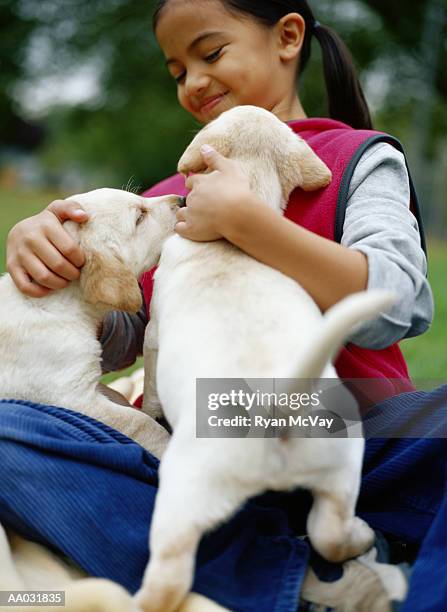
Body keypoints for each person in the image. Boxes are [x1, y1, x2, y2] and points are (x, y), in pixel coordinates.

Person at [2, 1, 445, 610]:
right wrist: (58, 266)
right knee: (9, 424)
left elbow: (400, 303)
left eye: (210, 54)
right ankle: (298, 572)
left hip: (346, 429)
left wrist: (251, 224)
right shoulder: (167, 198)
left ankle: (243, 565)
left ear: (288, 37)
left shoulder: (355, 159)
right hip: (196, 447)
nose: (195, 82)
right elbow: (125, 336)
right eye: (178, 71)